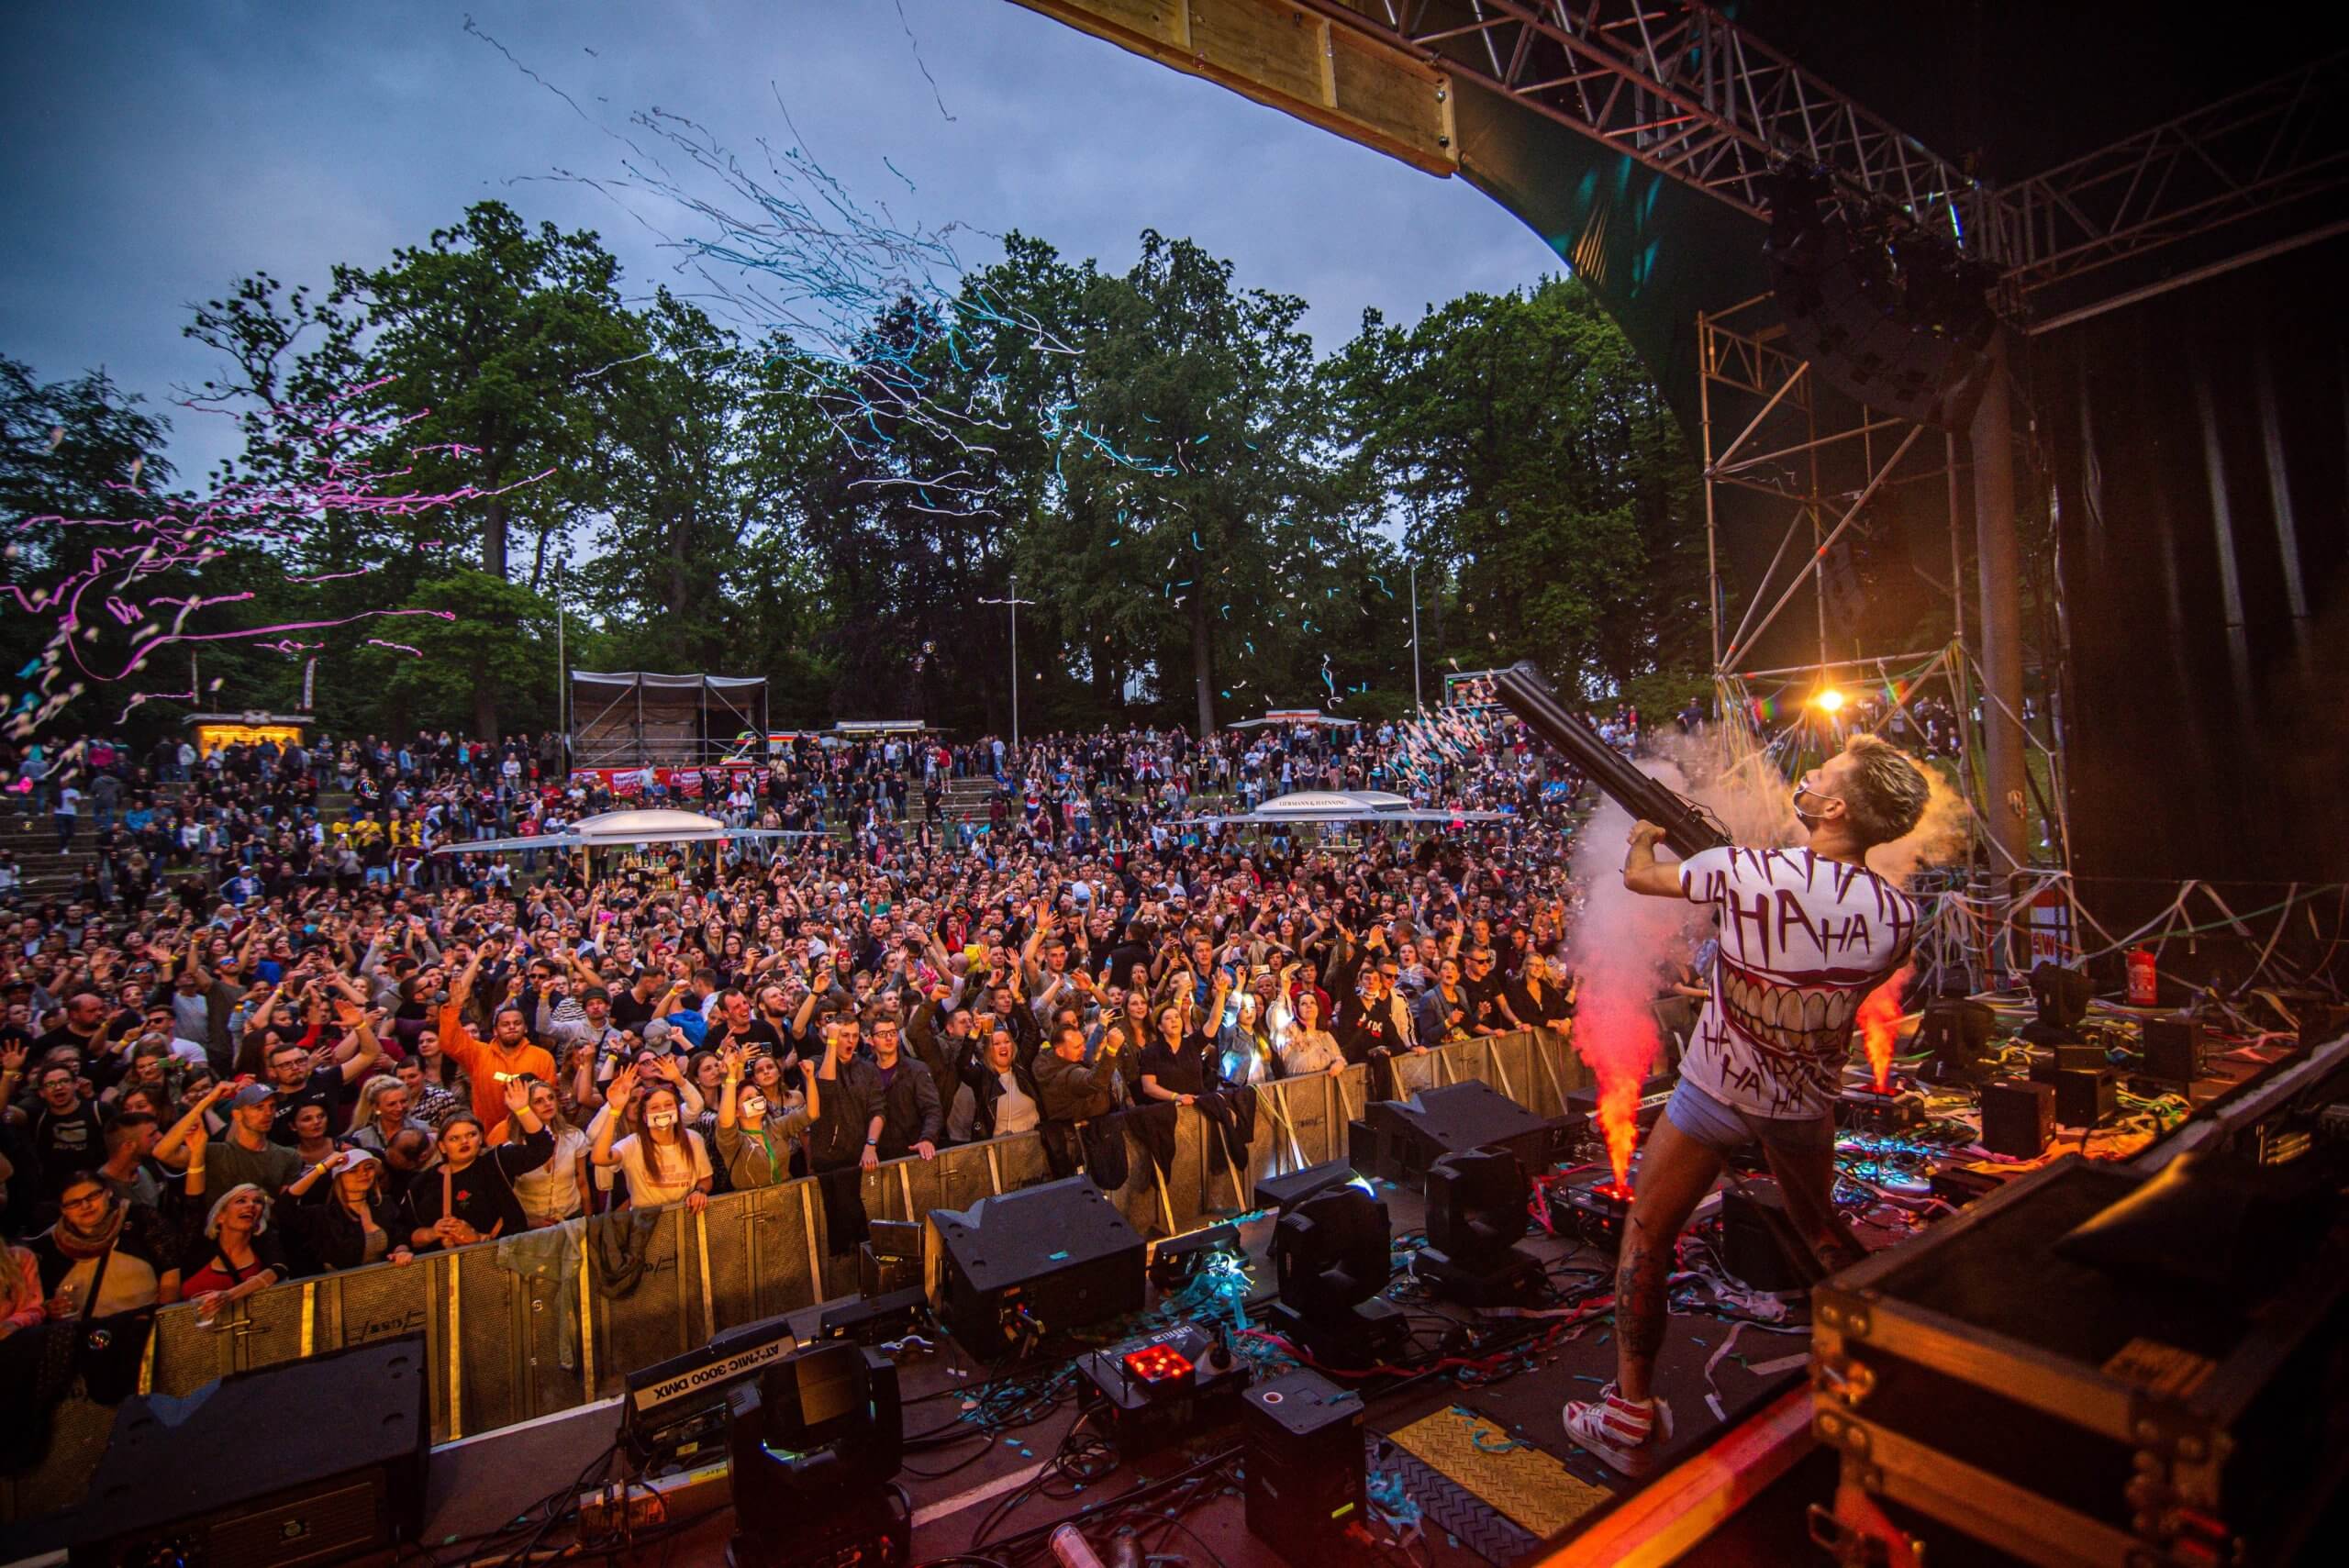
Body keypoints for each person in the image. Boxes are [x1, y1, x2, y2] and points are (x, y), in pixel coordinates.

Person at [1562, 733, 1927, 1473]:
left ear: (1832, 807)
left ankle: (1629, 1413)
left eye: (1824, 773)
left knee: (1646, 1234)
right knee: (1820, 1232)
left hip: (1714, 1090)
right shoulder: (1896, 914)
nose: (1810, 774)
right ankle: (1891, 1362)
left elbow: (1640, 876)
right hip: (1804, 1102)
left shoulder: (1743, 870)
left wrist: (1643, 833)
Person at [405, 1079, 554, 1251]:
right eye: (454, 1138)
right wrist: (432, 1233)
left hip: (506, 1257)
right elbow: (403, 1231)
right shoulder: (423, 1183)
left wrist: (522, 1110)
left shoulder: (497, 1160)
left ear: (481, 1138)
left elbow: (542, 1149)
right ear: (442, 1146)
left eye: (471, 1134)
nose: (464, 1142)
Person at [592, 1067, 713, 1212]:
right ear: (644, 1116)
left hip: (685, 1217)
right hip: (646, 1224)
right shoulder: (633, 1144)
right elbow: (599, 1158)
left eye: (668, 1105)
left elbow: (706, 1178)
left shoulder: (693, 1139)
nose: (663, 1110)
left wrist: (699, 1191)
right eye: (655, 1107)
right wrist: (615, 1109)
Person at [277, 1147, 415, 1272]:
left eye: (368, 1167)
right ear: (339, 1178)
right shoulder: (324, 1216)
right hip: (340, 1290)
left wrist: (401, 1251)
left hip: (386, 1283)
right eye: (353, 1171)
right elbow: (283, 1207)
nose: (363, 1174)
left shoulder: (384, 1204)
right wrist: (322, 1168)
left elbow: (400, 1236)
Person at [178, 1181, 288, 1321]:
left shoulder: (264, 1246)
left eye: (258, 1201)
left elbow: (277, 1270)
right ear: (220, 1216)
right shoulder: (197, 1247)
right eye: (241, 1201)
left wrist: (228, 1296)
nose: (251, 1205)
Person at [713, 1044, 818, 1191]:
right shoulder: (733, 1140)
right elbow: (725, 1121)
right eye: (748, 1098)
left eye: (757, 1096)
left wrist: (810, 1078)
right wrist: (731, 1076)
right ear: (736, 1111)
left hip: (787, 1199)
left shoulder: (776, 1127)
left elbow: (812, 1113)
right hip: (751, 1208)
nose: (755, 1100)